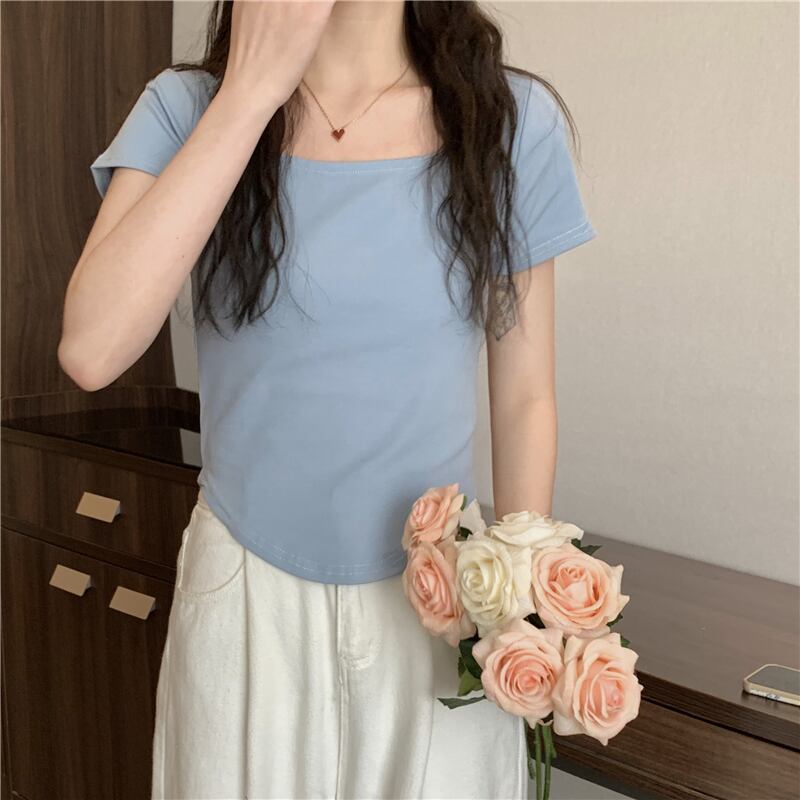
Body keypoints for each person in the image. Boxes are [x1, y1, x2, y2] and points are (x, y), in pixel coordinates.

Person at [59, 1, 597, 797]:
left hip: (440, 598)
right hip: (243, 590)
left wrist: (521, 603)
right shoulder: (186, 109)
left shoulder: (509, 120)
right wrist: (250, 94)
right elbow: (91, 349)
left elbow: (524, 395)